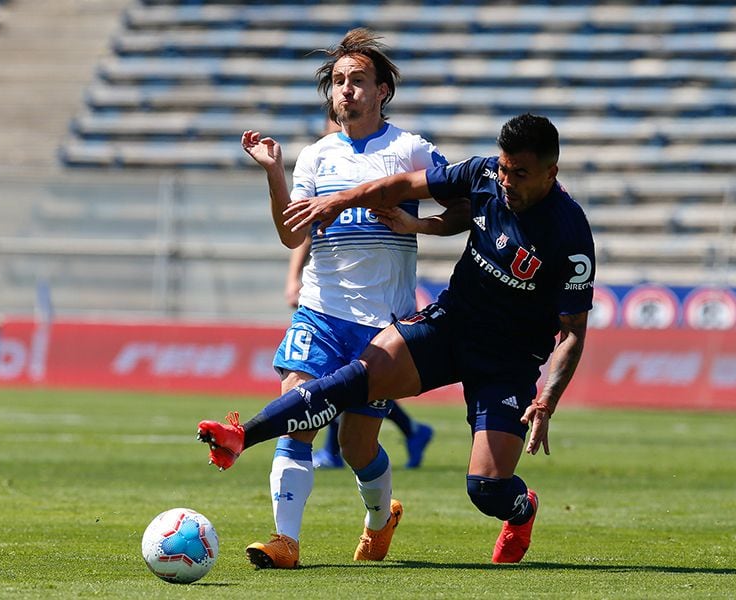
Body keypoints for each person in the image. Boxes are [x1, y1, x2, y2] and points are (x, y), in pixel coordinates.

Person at [199, 113, 595, 564]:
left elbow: (572, 332)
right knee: (359, 376)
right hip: (452, 324)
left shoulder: (570, 233)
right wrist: (337, 203)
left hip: (510, 360)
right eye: (504, 168)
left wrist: (545, 402)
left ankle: (522, 511)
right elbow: (403, 187)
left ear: (551, 173)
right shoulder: (482, 172)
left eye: (519, 173)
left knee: (486, 489)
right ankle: (241, 436)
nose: (506, 180)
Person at [235, 29, 469, 570]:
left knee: (357, 447)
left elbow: (464, 206)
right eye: (339, 82)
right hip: (321, 312)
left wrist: (418, 225)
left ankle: (380, 519)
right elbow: (293, 236)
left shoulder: (409, 149)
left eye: (358, 81)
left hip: (381, 325)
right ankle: (284, 541)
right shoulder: (315, 157)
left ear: (382, 90)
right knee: (297, 416)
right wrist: (274, 173)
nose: (347, 91)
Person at [285, 235, 435, 471]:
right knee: (348, 381)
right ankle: (411, 431)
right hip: (335, 301)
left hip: (370, 304)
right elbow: (305, 231)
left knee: (353, 382)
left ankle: (336, 452)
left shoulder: (371, 201)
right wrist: (294, 278)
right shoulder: (326, 201)